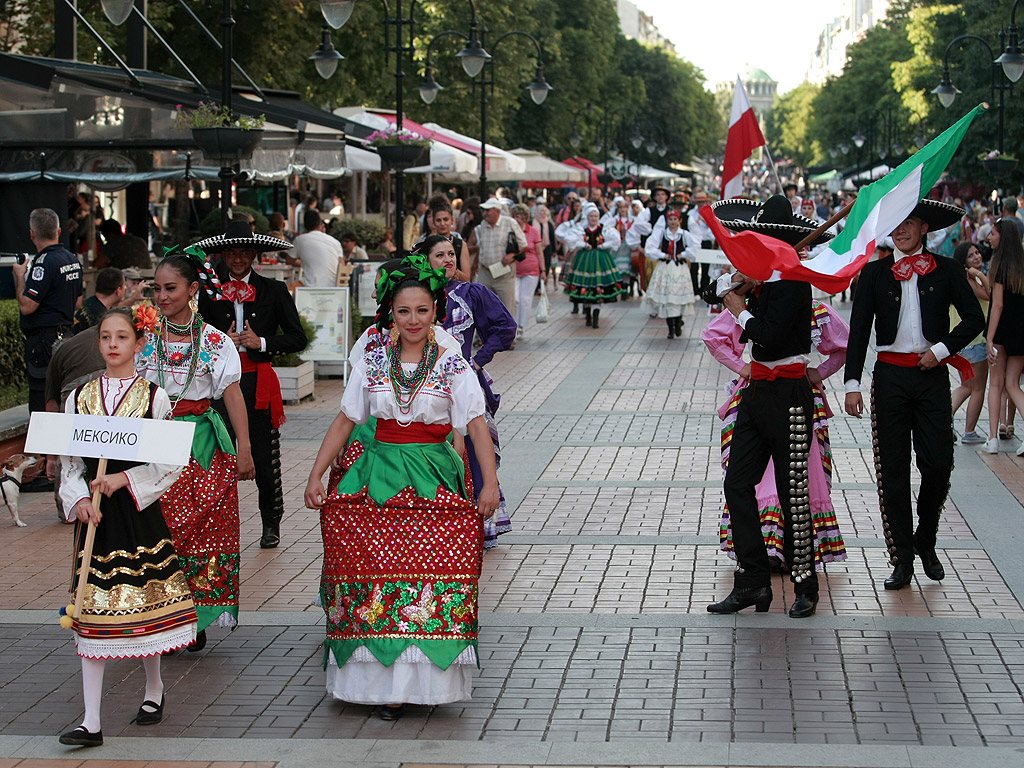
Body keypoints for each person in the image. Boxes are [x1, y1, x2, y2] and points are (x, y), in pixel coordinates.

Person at [305, 254, 499, 719]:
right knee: (371, 571)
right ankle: (380, 684)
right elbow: (346, 420)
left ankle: (423, 681)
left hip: (433, 477)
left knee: (431, 574)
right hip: (376, 477)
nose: (413, 320)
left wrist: (488, 484)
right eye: (404, 311)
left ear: (436, 311)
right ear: (391, 313)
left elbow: (475, 426)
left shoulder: (454, 366)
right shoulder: (373, 363)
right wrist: (315, 473)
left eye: (423, 311)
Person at [57, 307, 196, 748]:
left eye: (122, 337)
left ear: (139, 343)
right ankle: (92, 720)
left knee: (145, 602)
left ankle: (154, 687)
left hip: (137, 511)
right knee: (90, 608)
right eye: (105, 337)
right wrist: (78, 499)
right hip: (96, 518)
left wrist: (124, 479)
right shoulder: (78, 398)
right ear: (98, 344)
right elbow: (69, 462)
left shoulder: (154, 397)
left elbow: (170, 461)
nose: (113, 344)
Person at [706, 195, 836, 618]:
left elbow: (770, 336)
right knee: (737, 484)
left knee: (792, 491)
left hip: (791, 396)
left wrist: (741, 310)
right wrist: (734, 284)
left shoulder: (795, 281)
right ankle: (752, 582)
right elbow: (711, 292)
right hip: (757, 394)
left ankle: (805, 586)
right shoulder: (760, 277)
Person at [845, 200, 984, 590]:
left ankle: (927, 535)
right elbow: (858, 330)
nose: (901, 230)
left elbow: (975, 317)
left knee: (938, 463)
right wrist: (852, 383)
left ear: (924, 228)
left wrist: (941, 350)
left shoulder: (948, 269)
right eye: (895, 223)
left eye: (909, 223)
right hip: (889, 377)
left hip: (932, 376)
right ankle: (902, 557)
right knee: (892, 470)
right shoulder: (873, 274)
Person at [138, 251, 255, 649]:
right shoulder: (146, 339)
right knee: (161, 529)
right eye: (157, 288)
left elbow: (233, 394)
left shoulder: (214, 341)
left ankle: (196, 616)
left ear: (191, 290)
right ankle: (160, 612)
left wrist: (245, 449)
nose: (162, 296)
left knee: (206, 531)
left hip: (203, 444)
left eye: (170, 288)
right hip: (156, 440)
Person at [704, 297, 848, 573]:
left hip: (793, 392)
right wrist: (743, 367)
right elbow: (712, 336)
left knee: (794, 473)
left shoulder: (809, 307)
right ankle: (774, 553)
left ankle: (787, 555)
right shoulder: (752, 305)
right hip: (764, 392)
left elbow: (845, 344)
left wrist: (819, 372)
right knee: (769, 474)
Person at [195, 221, 307, 548]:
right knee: (218, 456)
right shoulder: (207, 291)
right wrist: (220, 341)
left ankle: (271, 523)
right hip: (218, 385)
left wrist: (263, 342)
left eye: (244, 252)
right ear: (224, 255)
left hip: (258, 383)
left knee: (264, 458)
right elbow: (194, 334)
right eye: (232, 252)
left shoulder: (273, 290)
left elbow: (297, 338)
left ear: (254, 254)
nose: (238, 258)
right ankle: (215, 522)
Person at [423, 235, 516, 548]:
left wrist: (477, 360)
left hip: (463, 384)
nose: (449, 260)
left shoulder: (471, 292)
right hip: (421, 389)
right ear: (424, 260)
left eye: (451, 254)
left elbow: (506, 327)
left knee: (475, 454)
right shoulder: (413, 295)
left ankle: (476, 528)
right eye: (440, 255)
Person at [14, 208, 84, 432]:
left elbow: (27, 306)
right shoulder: (72, 259)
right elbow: (77, 303)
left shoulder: (44, 263)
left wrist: (19, 277)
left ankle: (42, 458)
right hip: (66, 337)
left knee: (41, 399)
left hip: (44, 343)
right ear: (59, 231)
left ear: (32, 234)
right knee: (64, 395)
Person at [985, 218, 1024, 455]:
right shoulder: (1021, 264)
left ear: (1002, 237)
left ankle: (992, 439)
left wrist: (989, 338)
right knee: (1013, 385)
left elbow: (997, 305)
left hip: (1001, 330)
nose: (990, 237)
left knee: (996, 384)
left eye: (992, 233)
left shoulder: (998, 265)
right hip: (1020, 331)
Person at [558, 204, 624, 329]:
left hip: (600, 260)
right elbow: (570, 240)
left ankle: (595, 318)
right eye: (591, 216)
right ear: (587, 217)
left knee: (598, 287)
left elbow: (616, 241)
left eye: (596, 216)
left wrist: (603, 246)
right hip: (585, 259)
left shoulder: (604, 229)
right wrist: (584, 244)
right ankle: (588, 315)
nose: (594, 218)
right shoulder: (580, 229)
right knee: (585, 286)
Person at [950, 242, 990, 445]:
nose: (976, 257)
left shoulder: (956, 280)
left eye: (977, 253)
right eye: (970, 256)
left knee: (966, 386)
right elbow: (989, 295)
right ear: (963, 262)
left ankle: (945, 418)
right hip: (976, 341)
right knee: (977, 388)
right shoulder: (970, 280)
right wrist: (979, 275)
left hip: (961, 343)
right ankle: (969, 432)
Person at [642, 207, 697, 338]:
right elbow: (649, 248)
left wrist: (683, 254)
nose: (673, 222)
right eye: (670, 219)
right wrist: (662, 254)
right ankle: (670, 329)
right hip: (665, 268)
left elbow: (695, 247)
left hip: (679, 269)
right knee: (667, 298)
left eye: (675, 219)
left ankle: (678, 323)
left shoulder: (684, 234)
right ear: (667, 221)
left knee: (678, 297)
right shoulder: (661, 234)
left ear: (679, 220)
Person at [468, 198, 528, 317]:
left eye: (488, 210)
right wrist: (476, 264)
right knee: (481, 306)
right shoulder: (482, 226)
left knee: (507, 307)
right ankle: (482, 335)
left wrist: (511, 255)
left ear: (497, 211)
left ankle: (508, 335)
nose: (485, 213)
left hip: (504, 273)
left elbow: (523, 244)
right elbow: (479, 246)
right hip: (485, 272)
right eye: (484, 210)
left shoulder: (509, 223)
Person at [510, 204, 544, 338]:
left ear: (525, 218)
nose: (517, 219)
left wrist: (543, 270)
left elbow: (540, 252)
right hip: (513, 270)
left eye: (520, 217)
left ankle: (521, 326)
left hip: (531, 270)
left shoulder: (533, 231)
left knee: (525, 299)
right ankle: (514, 323)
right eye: (515, 217)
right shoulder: (510, 231)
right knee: (515, 298)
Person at [290, 209, 344, 287]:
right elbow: (342, 265)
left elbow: (289, 260)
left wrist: (305, 263)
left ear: (304, 226)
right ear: (320, 225)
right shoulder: (335, 242)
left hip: (310, 287)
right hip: (334, 288)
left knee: (285, 291)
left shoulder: (299, 240)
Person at [424, 194, 471, 279]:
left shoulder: (460, 244)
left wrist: (451, 267)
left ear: (452, 220)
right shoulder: (425, 243)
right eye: (438, 220)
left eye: (446, 219)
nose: (442, 224)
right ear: (433, 222)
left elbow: (467, 279)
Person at [73, 267, 125, 334]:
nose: (126, 288)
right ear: (118, 291)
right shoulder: (101, 319)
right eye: (124, 285)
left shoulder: (90, 302)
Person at [686, 192, 716, 293]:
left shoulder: (711, 213)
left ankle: (704, 289)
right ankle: (694, 289)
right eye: (699, 202)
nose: (701, 204)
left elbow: (714, 229)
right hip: (694, 241)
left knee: (705, 267)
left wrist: (706, 221)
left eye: (702, 202)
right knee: (693, 266)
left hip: (705, 241)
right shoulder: (691, 213)